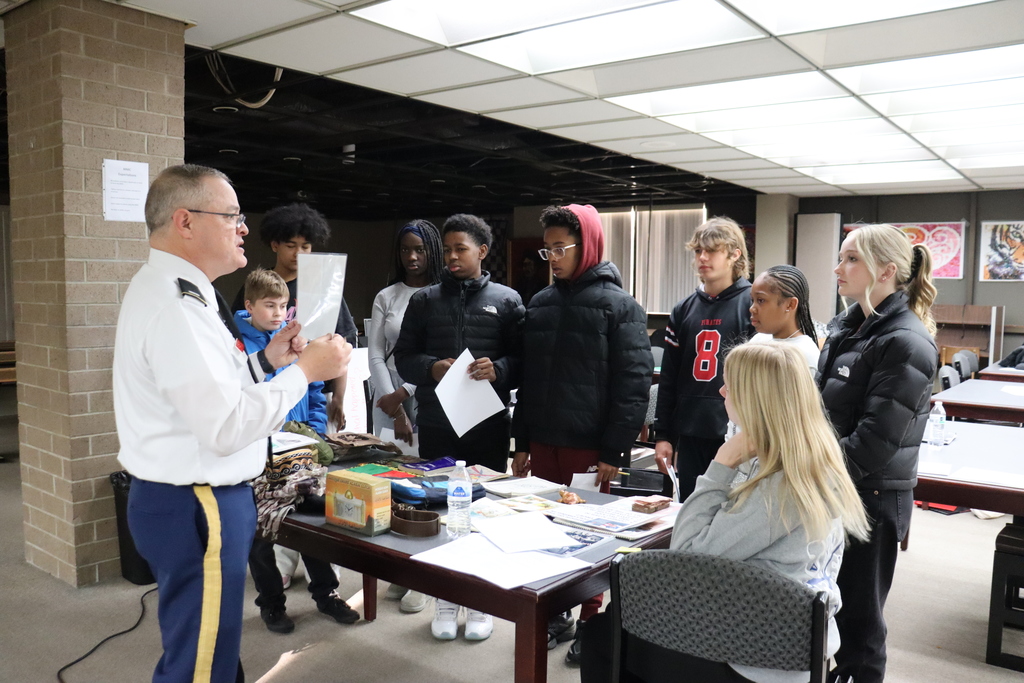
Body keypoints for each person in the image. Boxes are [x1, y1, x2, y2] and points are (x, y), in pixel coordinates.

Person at [113, 164, 350, 683]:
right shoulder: (178, 305)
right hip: (197, 500)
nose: (244, 228)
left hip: (182, 496)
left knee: (209, 646)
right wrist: (308, 371)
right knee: (201, 662)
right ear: (185, 221)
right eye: (232, 216)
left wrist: (269, 363)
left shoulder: (175, 290)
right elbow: (223, 425)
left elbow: (206, 386)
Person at [580, 342, 870, 683]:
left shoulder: (781, 487)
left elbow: (686, 552)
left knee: (603, 631)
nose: (720, 391)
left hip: (755, 655)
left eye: (729, 386)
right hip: (781, 634)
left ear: (755, 400)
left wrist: (721, 465)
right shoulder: (810, 460)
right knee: (619, 616)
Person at [510, 204, 653, 662]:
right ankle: (556, 613)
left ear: (586, 244)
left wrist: (615, 449)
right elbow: (529, 379)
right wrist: (522, 442)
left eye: (560, 247)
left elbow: (633, 384)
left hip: (591, 445)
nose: (551, 256)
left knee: (590, 535)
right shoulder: (540, 302)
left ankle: (592, 625)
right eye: (547, 247)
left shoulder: (621, 306)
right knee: (545, 528)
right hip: (544, 442)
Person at [394, 213, 524, 642]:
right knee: (443, 511)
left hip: (487, 424)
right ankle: (446, 599)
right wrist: (432, 367)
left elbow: (524, 362)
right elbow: (403, 355)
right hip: (437, 422)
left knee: (485, 511)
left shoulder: (507, 300)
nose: (450, 256)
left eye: (460, 248)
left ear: (482, 251)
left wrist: (500, 369)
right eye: (446, 249)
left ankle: (481, 602)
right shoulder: (425, 300)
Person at [819, 224, 938, 683]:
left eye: (851, 259)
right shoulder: (848, 328)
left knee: (860, 622)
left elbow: (873, 442)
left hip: (869, 496)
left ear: (887, 271)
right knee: (830, 610)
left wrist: (811, 473)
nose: (838, 268)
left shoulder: (905, 341)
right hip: (835, 487)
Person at [234, 268, 359, 633]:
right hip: (260, 452)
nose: (276, 313)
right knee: (261, 536)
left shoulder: (295, 340)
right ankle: (271, 604)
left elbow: (314, 390)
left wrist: (316, 432)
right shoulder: (239, 346)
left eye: (283, 306)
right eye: (269, 305)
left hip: (301, 448)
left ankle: (326, 594)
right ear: (249, 305)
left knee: (313, 526)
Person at [368, 219, 444, 615]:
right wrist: (393, 404)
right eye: (405, 250)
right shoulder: (387, 295)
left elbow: (435, 354)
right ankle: (401, 569)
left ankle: (425, 576)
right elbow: (376, 353)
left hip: (425, 391)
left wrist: (406, 394)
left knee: (426, 485)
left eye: (419, 249)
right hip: (386, 399)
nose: (412, 257)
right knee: (395, 485)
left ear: (432, 249)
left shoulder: (439, 295)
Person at [653, 217, 754, 500]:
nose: (703, 258)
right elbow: (669, 377)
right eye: (698, 251)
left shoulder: (752, 304)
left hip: (735, 433)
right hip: (690, 430)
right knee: (691, 507)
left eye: (712, 250)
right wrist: (664, 435)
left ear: (735, 254)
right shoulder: (684, 308)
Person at [231, 202, 357, 430]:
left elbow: (340, 340)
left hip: (317, 397)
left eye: (306, 246)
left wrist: (339, 396)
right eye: (291, 245)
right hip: (265, 393)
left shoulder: (322, 289)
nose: (299, 253)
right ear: (275, 245)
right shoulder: (257, 287)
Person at [748, 264, 820, 375]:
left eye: (761, 300)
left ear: (790, 304)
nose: (752, 309)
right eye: (752, 300)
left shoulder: (803, 353)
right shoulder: (757, 341)